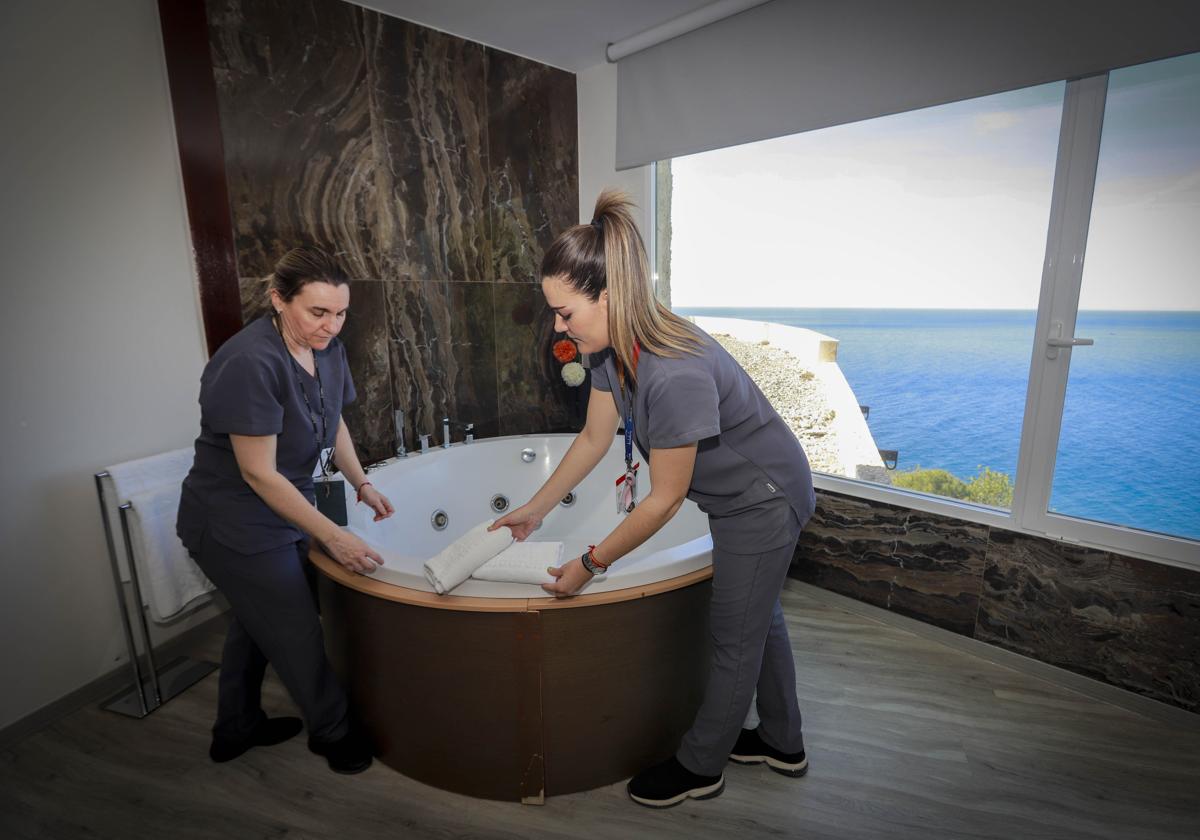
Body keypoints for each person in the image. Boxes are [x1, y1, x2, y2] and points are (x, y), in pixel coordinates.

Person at [491, 190, 816, 808]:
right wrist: (534, 509)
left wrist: (588, 566)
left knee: (733, 636)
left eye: (564, 312)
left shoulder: (673, 370)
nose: (558, 326)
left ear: (608, 296)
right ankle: (783, 740)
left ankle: (701, 766)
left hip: (763, 497)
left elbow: (663, 501)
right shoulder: (614, 350)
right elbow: (594, 437)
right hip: (737, 495)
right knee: (758, 616)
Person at [177, 247, 394, 774]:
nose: (331, 325)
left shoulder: (326, 349)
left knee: (257, 622)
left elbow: (333, 418)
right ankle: (333, 732)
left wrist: (360, 480)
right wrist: (335, 537)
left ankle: (236, 726)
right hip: (234, 522)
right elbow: (259, 473)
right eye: (317, 312)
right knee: (296, 629)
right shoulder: (250, 361)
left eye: (340, 313)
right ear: (278, 299)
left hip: (283, 509)